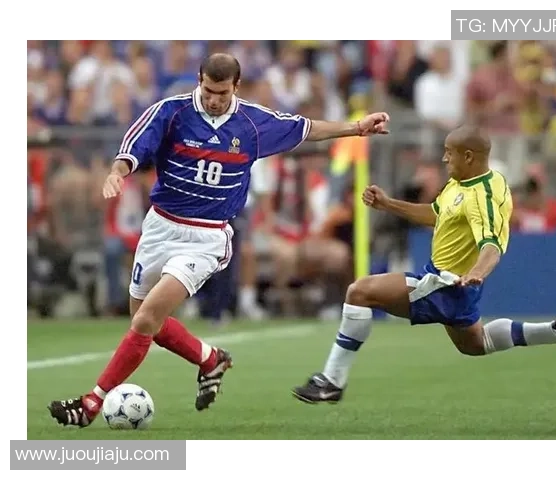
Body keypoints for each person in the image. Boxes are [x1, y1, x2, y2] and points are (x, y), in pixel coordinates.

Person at [48, 53, 390, 427]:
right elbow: (136, 142)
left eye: (222, 93)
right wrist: (118, 171)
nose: (213, 99)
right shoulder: (173, 112)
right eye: (208, 90)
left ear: (236, 87)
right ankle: (210, 359)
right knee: (147, 323)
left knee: (146, 320)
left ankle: (91, 403)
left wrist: (357, 127)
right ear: (200, 80)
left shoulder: (253, 123)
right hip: (160, 227)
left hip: (206, 237)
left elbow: (306, 128)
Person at [292, 124, 556, 404]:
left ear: (469, 156)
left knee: (359, 292)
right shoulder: (463, 182)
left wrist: (477, 272)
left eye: (449, 152)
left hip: (447, 283)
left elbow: (492, 246)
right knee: (476, 343)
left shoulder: (482, 196)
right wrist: (388, 204)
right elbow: (437, 214)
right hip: (455, 284)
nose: (444, 158)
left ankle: (332, 381)